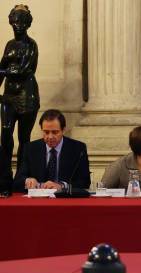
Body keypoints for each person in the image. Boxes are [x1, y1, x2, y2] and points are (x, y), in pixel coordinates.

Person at [0, 5, 40, 189]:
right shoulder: (10, 44)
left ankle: (21, 178)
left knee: (24, 138)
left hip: (26, 96)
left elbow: (23, 70)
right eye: (15, 21)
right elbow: (4, 69)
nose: (18, 25)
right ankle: (4, 177)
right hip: (9, 96)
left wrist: (8, 70)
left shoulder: (31, 44)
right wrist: (8, 70)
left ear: (27, 24)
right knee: (6, 133)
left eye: (22, 22)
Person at [13, 109, 90, 192]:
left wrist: (62, 186)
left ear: (63, 130)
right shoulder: (31, 148)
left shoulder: (78, 149)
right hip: (38, 199)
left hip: (64, 200)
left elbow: (84, 182)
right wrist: (27, 180)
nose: (50, 137)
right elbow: (18, 180)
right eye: (46, 132)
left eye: (55, 132)